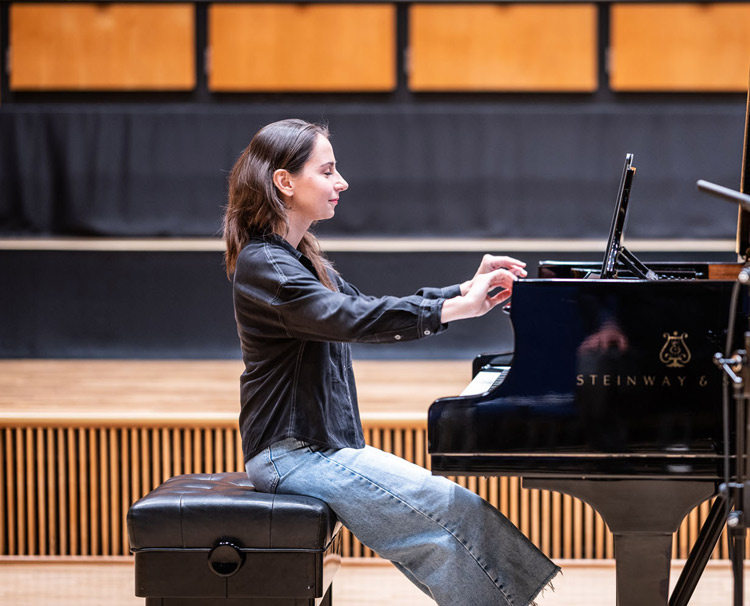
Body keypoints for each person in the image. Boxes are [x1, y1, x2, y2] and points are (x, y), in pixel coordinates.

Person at [223, 118, 559, 606]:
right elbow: (350, 317)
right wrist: (455, 307)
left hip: (321, 449)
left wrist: (462, 292)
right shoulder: (265, 266)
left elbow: (365, 306)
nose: (342, 183)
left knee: (457, 515)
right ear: (285, 181)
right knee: (449, 516)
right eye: (328, 170)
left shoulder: (298, 259)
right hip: (292, 455)